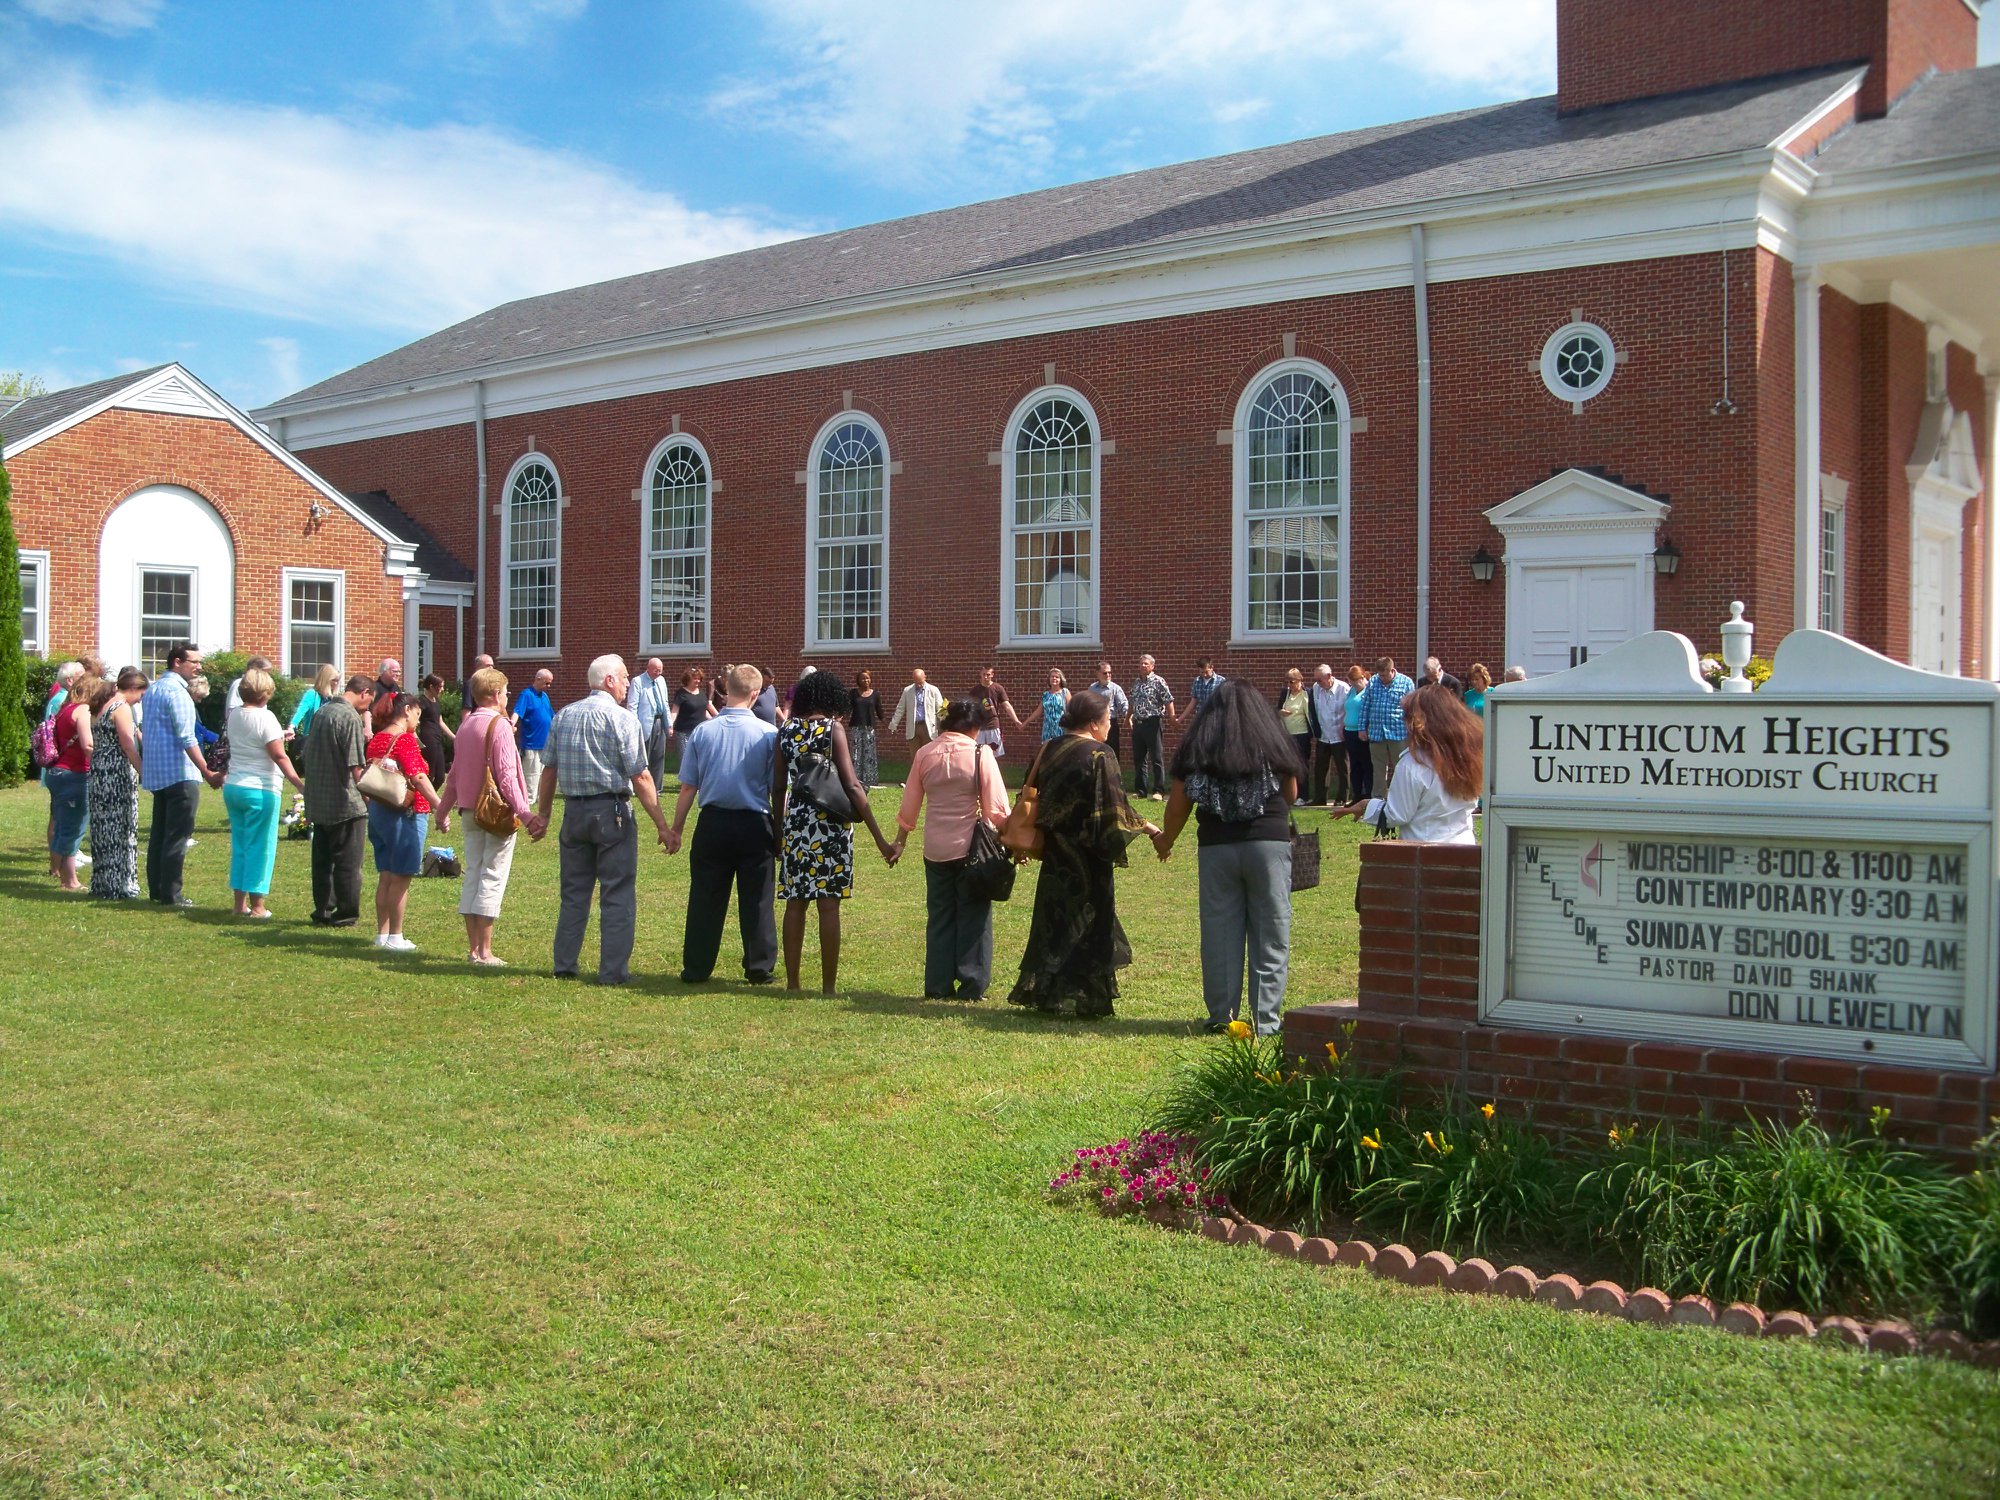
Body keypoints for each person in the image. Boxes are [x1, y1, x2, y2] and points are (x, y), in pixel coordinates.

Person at [1151, 681, 1301, 1036]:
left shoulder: (1198, 747)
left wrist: (1166, 840)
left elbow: (1178, 805)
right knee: (1271, 931)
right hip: (1269, 844)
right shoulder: (1274, 741)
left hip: (1216, 846)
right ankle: (1266, 1020)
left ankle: (1222, 1016)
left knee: (1219, 932)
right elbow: (1292, 793)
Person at [1007, 689, 1160, 1020]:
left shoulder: (1047, 749)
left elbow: (1032, 795)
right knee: (1091, 921)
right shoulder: (1100, 754)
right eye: (1107, 720)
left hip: (1055, 851)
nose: (1109, 727)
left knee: (1055, 922)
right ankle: (1087, 998)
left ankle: (1048, 994)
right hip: (1089, 853)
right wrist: (1149, 828)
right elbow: (1115, 806)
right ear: (1093, 723)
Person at [529, 655, 671, 985]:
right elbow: (641, 776)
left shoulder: (563, 715)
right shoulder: (623, 720)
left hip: (574, 813)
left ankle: (564, 964)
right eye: (623, 678)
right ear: (608, 680)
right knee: (617, 893)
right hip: (613, 813)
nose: (626, 684)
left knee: (574, 893)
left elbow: (549, 771)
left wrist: (545, 814)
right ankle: (613, 972)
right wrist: (662, 825)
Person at [772, 669, 898, 994]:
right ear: (832, 699)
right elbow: (853, 785)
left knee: (795, 903)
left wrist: (777, 834)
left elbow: (775, 788)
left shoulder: (785, 731)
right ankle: (828, 987)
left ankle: (793, 983)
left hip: (796, 823)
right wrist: (880, 839)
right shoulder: (833, 729)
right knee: (829, 905)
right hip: (831, 822)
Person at [891, 698, 1012, 1000]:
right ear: (973, 727)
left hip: (935, 848)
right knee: (974, 917)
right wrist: (1013, 841)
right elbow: (996, 810)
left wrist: (900, 841)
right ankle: (972, 984)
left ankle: (937, 984)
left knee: (940, 917)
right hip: (970, 849)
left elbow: (910, 806)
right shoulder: (979, 754)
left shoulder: (924, 754)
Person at [666, 663, 780, 984]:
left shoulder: (704, 731)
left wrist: (676, 828)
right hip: (755, 823)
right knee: (757, 898)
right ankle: (759, 966)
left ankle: (696, 967)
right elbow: (776, 788)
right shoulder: (768, 734)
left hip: (712, 822)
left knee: (705, 896)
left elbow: (688, 785)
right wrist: (782, 831)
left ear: (726, 689)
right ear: (756, 693)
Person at [434, 666, 544, 966]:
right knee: (492, 876)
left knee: (474, 874)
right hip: (495, 813)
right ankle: (484, 951)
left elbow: (454, 775)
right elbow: (507, 775)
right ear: (496, 694)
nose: (507, 696)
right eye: (506, 692)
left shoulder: (466, 726)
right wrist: (526, 813)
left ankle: (473, 948)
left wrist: (442, 812)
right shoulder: (500, 726)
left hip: (469, 811)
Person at [1331, 684, 1481, 844]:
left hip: (1426, 851)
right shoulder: (1468, 757)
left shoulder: (1413, 764)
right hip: (1465, 847)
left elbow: (1397, 815)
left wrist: (1367, 806)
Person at [139, 643, 223, 907]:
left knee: (160, 834)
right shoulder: (178, 693)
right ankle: (171, 894)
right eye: (194, 662)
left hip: (158, 772)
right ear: (177, 662)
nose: (198, 667)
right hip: (179, 773)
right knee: (177, 836)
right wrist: (206, 771)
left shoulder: (153, 690)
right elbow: (188, 737)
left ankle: (157, 890)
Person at [224, 667, 306, 919]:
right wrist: (299, 783)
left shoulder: (235, 714)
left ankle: (239, 904)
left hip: (235, 785)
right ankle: (258, 906)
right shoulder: (266, 717)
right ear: (266, 692)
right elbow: (278, 755)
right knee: (261, 847)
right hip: (261, 788)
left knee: (241, 845)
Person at [365, 693, 445, 951]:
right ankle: (396, 937)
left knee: (386, 875)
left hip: (379, 810)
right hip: (404, 813)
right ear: (407, 710)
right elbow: (418, 777)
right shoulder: (406, 740)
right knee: (401, 877)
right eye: (418, 714)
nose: (418, 721)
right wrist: (440, 807)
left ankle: (382, 933)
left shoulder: (377, 738)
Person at [302, 674, 375, 927]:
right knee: (348, 863)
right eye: (369, 701)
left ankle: (322, 909)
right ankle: (346, 914)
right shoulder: (349, 717)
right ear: (364, 692)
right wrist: (369, 796)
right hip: (345, 802)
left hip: (320, 798)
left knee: (322, 862)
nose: (367, 708)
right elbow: (355, 765)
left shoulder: (322, 712)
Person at [87, 669, 145, 900]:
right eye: (141, 694)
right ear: (133, 689)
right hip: (116, 771)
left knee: (103, 827)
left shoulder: (101, 705)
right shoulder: (121, 707)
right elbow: (128, 745)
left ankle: (102, 882)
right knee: (121, 826)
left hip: (99, 769)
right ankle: (119, 883)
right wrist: (142, 771)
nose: (140, 699)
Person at [44, 671, 95, 891]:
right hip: (75, 774)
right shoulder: (82, 710)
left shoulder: (65, 708)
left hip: (57, 773)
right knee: (73, 829)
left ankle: (58, 871)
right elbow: (87, 745)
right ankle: (69, 880)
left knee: (62, 824)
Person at [1355, 656, 1415, 795]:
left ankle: (1401, 797)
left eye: (1384, 675)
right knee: (1378, 769)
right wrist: (1362, 728)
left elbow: (1412, 709)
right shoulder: (1373, 681)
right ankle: (1378, 799)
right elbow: (1366, 705)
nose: (1382, 678)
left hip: (1398, 733)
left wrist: (1413, 731)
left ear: (1392, 670)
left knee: (1401, 768)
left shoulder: (1406, 683)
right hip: (1376, 732)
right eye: (1380, 674)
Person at [1128, 654, 1174, 798]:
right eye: (1141, 663)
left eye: (1146, 664)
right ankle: (1141, 791)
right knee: (1139, 758)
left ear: (1152, 666)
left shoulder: (1158, 681)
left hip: (1153, 723)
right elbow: (1132, 702)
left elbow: (1168, 700)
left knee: (1156, 757)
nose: (1143, 666)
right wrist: (1128, 718)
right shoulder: (1136, 683)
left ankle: (1158, 790)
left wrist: (1172, 718)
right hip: (1138, 723)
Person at [1307, 662, 1350, 806]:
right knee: (1320, 769)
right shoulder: (1316, 688)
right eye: (1316, 680)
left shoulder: (1344, 689)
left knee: (1342, 768)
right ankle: (1319, 797)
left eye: (1320, 680)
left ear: (1329, 676)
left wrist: (1345, 730)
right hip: (1324, 735)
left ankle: (1342, 798)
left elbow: (1349, 710)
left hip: (1339, 735)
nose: (1317, 683)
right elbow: (1314, 710)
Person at [633, 656, 674, 790]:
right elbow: (632, 706)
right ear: (648, 668)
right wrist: (634, 727)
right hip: (644, 722)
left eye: (660, 670)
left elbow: (665, 703)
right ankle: (642, 787)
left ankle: (657, 787)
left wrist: (669, 724)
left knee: (659, 755)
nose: (659, 673)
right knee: (645, 757)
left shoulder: (661, 681)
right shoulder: (638, 682)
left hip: (659, 721)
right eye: (656, 670)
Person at [513, 668, 555, 789]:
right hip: (531, 743)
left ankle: (539, 800)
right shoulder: (526, 694)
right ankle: (529, 801)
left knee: (543, 775)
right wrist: (511, 725)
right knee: (532, 775)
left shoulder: (545, 696)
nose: (549, 686)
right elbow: (517, 712)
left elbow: (552, 716)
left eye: (550, 683)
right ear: (538, 679)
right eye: (547, 683)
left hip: (545, 743)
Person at [970, 666, 1023, 758]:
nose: (986, 677)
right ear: (980, 674)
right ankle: (978, 772)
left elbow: (1006, 705)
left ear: (992, 675)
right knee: (978, 754)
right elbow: (970, 708)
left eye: (988, 675)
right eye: (984, 674)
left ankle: (992, 772)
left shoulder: (998, 688)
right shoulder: (974, 691)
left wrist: (1016, 720)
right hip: (979, 726)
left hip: (993, 724)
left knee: (994, 754)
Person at [671, 666, 717, 770]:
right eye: (695, 678)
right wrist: (670, 725)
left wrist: (715, 721)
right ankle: (685, 783)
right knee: (686, 760)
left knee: (700, 758)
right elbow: (674, 711)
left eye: (699, 678)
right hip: (684, 733)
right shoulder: (681, 694)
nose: (697, 681)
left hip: (700, 732)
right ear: (688, 679)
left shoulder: (701, 693)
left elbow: (703, 710)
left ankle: (697, 783)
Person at [1277, 668, 1311, 799]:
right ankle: (1290, 794)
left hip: (1302, 735)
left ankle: (1303, 795)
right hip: (1287, 735)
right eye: (1287, 682)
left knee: (1301, 765)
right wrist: (1281, 712)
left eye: (1291, 682)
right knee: (1288, 765)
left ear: (1299, 681)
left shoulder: (1306, 694)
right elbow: (1278, 709)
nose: (1289, 685)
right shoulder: (1285, 693)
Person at [886, 668, 940, 749]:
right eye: (916, 682)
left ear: (925, 677)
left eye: (920, 683)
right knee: (915, 755)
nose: (919, 685)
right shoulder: (907, 691)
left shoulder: (934, 690)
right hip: (913, 727)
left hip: (928, 726)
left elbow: (940, 708)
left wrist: (946, 724)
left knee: (928, 754)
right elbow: (900, 708)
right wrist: (894, 724)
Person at [417, 673, 455, 783]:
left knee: (440, 777)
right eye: (440, 687)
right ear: (431, 687)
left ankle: (427, 799)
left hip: (437, 739)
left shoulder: (436, 701)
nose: (442, 690)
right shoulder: (422, 701)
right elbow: (416, 720)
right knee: (430, 773)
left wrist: (454, 738)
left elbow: (440, 722)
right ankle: (422, 798)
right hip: (428, 739)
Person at [1343, 663, 1372, 804]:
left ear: (1361, 678)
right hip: (1349, 732)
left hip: (1362, 733)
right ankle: (1357, 794)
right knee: (1354, 765)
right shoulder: (1351, 691)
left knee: (1365, 764)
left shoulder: (1368, 691)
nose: (1352, 684)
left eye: (1353, 681)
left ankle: (1367, 795)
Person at [848, 669, 882, 788]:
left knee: (869, 753)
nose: (865, 680)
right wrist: (839, 717)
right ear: (858, 680)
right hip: (856, 726)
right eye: (863, 678)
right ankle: (856, 778)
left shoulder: (875, 694)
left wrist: (888, 723)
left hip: (869, 727)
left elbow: (879, 711)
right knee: (856, 753)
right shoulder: (853, 693)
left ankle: (870, 779)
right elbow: (848, 708)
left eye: (867, 678)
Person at [289, 663, 339, 742]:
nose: (336, 683)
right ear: (325, 680)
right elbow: (300, 712)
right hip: (312, 740)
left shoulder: (334, 698)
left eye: (337, 681)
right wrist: (292, 726)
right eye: (333, 680)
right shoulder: (312, 694)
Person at [1093, 662, 1129, 762]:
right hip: (1095, 724)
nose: (1108, 675)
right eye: (1105, 673)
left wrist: (1129, 717)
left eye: (1109, 673)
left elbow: (1124, 705)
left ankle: (1114, 775)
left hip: (1110, 724)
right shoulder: (1092, 688)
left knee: (1112, 751)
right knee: (1096, 751)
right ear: (1097, 673)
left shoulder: (1115, 688)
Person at [1180, 658, 1225, 722]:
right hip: (1200, 719)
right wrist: (1180, 719)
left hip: (1216, 719)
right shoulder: (1197, 681)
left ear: (1212, 667)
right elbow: (1193, 702)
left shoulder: (1221, 681)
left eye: (1206, 672)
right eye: (1202, 672)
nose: (1204, 675)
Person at [370, 657, 404, 732]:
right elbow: (368, 710)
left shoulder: (396, 688)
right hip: (377, 729)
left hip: (393, 728)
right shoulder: (374, 688)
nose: (398, 674)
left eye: (399, 671)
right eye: (394, 671)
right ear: (384, 671)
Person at [1039, 668, 1070, 744]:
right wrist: (1025, 723)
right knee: (1047, 751)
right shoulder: (1046, 694)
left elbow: (1070, 709)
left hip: (1060, 728)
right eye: (1052, 676)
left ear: (1061, 679)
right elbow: (1038, 711)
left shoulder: (1064, 692)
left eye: (1057, 677)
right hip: (1047, 728)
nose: (1054, 678)